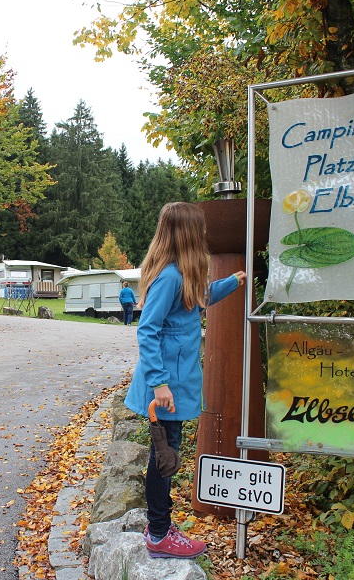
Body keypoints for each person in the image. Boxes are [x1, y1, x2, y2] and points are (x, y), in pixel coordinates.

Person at [123, 202, 246, 559]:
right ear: (188, 234)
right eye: (200, 229)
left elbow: (199, 299)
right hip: (167, 389)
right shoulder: (170, 277)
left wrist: (230, 283)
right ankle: (160, 533)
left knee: (165, 456)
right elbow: (147, 329)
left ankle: (158, 525)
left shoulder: (183, 275)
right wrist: (160, 384)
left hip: (174, 384)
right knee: (164, 458)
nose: (205, 235)